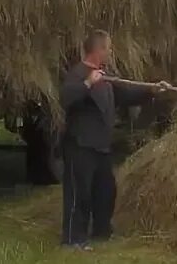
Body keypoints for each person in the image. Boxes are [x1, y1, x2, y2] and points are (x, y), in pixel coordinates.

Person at [59, 30, 165, 250]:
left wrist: (151, 90)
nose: (110, 52)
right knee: (80, 194)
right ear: (98, 50)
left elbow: (125, 95)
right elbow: (66, 97)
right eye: (108, 48)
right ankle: (72, 239)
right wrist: (88, 83)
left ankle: (101, 232)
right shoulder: (78, 74)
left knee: (105, 191)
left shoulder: (105, 76)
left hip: (101, 146)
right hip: (81, 145)